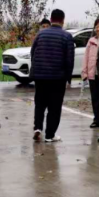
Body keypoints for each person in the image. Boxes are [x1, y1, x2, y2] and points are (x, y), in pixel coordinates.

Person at [30, 9, 75, 143]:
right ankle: (50, 135)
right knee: (54, 107)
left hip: (40, 77)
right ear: (63, 20)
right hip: (57, 78)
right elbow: (69, 59)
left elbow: (33, 53)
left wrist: (36, 70)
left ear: (51, 20)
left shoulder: (40, 34)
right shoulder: (67, 36)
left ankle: (38, 127)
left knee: (40, 104)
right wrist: (68, 78)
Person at [81, 18, 99, 129]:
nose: (98, 29)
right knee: (94, 98)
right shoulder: (91, 41)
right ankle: (97, 120)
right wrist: (84, 72)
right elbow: (86, 57)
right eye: (97, 27)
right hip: (93, 74)